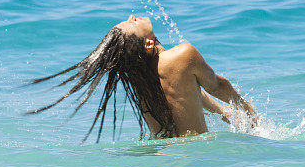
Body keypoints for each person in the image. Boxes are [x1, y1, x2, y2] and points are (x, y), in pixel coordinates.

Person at [27, 15, 256, 142]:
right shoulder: (182, 54)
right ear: (148, 44)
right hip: (192, 156)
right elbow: (218, 85)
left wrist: (224, 114)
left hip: (162, 158)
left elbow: (185, 93)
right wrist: (249, 114)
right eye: (132, 23)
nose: (132, 16)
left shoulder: (141, 79)